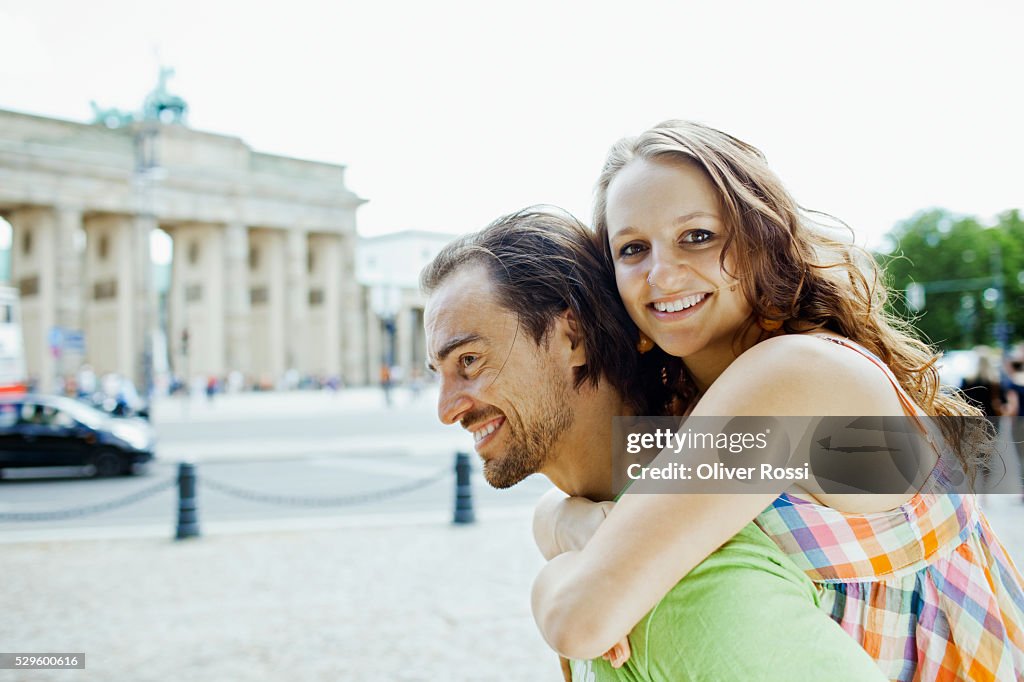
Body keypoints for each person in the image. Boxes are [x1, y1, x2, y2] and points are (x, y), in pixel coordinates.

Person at [530, 120, 1024, 682]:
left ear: (761, 240)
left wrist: (556, 573)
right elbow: (576, 499)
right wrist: (565, 520)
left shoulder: (795, 376)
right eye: (633, 249)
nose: (661, 274)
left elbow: (583, 618)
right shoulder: (695, 402)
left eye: (697, 235)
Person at [422, 208, 886, 681]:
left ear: (573, 336)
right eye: (438, 374)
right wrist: (563, 526)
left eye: (471, 360)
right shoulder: (629, 542)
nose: (446, 409)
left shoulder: (678, 585)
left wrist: (553, 583)